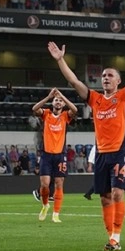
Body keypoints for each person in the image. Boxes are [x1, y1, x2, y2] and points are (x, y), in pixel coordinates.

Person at [49, 39, 125, 251]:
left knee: (117, 193)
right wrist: (60, 60)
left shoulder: (124, 96)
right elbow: (73, 81)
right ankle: (111, 238)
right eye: (103, 76)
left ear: (118, 81)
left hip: (119, 152)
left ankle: (116, 238)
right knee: (104, 198)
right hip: (101, 154)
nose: (106, 78)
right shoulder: (95, 99)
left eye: (110, 75)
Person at [32, 88, 77, 223]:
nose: (58, 102)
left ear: (63, 104)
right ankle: (45, 205)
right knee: (45, 184)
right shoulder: (46, 114)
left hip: (60, 155)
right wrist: (48, 97)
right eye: (56, 100)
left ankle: (56, 214)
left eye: (60, 101)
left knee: (59, 183)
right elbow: (34, 109)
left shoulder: (65, 116)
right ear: (52, 102)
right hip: (46, 154)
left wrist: (62, 96)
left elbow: (75, 110)